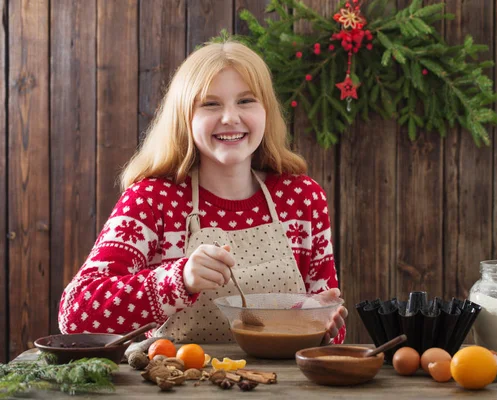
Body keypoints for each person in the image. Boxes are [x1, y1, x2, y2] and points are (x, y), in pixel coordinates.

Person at [58, 40, 347, 344]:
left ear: (266, 111)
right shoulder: (152, 201)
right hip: (178, 385)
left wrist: (324, 326)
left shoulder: (302, 199)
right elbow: (75, 314)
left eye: (246, 101)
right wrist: (177, 280)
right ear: (185, 117)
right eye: (211, 104)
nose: (231, 118)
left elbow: (330, 326)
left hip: (283, 387)